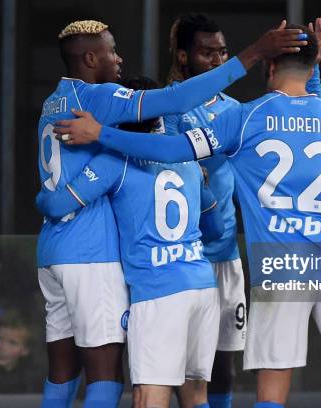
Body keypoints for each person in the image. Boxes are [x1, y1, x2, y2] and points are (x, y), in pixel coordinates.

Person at [50, 23, 321, 408]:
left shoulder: (246, 118)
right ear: (310, 65)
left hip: (281, 265)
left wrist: (102, 134)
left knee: (272, 391)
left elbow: (172, 149)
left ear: (268, 67)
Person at [36, 19, 305, 408]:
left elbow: (58, 200)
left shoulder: (55, 103)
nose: (119, 58)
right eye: (112, 51)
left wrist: (43, 202)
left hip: (68, 255)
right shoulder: (109, 104)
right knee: (133, 376)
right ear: (91, 57)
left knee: (73, 373)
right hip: (174, 271)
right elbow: (175, 103)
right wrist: (255, 52)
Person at [37, 72, 226, 408]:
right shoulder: (187, 161)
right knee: (195, 396)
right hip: (201, 286)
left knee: (147, 397)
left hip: (158, 291)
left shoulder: (117, 161)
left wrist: (41, 199)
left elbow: (60, 204)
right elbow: (215, 229)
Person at [164, 14, 244, 408]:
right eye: (206, 52)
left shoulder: (237, 109)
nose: (217, 60)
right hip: (181, 257)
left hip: (226, 256)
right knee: (179, 367)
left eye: (223, 52)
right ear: (184, 56)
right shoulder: (167, 108)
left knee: (222, 362)